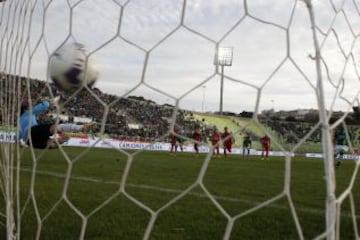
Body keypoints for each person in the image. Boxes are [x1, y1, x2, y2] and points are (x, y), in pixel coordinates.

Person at [19, 97, 94, 149]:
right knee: (54, 127)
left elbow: (19, 134)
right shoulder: (29, 112)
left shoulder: (20, 119)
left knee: (49, 144)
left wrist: (20, 141)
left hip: (28, 141)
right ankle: (80, 128)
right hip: (31, 131)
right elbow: (45, 105)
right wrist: (46, 100)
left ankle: (59, 141)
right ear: (26, 107)